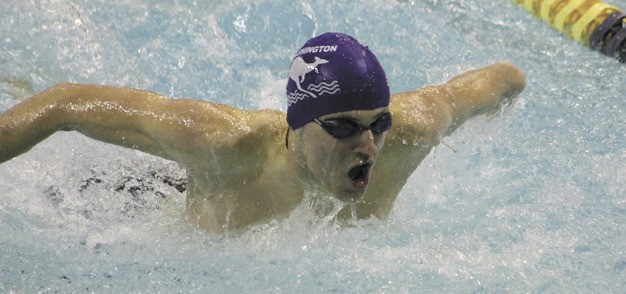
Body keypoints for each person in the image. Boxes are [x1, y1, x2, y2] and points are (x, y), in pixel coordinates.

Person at [0, 32, 525, 233]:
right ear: (297, 123)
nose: (367, 144)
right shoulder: (221, 143)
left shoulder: (410, 134)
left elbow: (500, 80)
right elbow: (66, 101)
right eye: (343, 126)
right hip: (144, 201)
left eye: (376, 124)